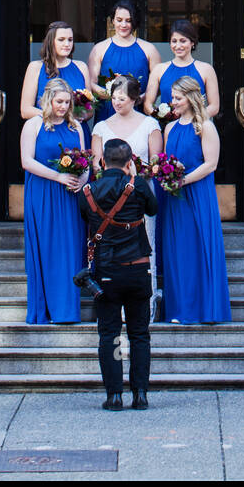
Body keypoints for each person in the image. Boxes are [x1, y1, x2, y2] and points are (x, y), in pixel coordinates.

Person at [78, 137, 157, 410]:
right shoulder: (138, 187)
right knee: (139, 334)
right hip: (137, 269)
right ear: (129, 161)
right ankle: (141, 394)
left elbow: (86, 220)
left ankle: (114, 395)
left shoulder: (88, 191)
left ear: (102, 161)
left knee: (109, 334)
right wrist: (134, 178)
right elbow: (153, 209)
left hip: (106, 272)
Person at [160, 76, 231, 324]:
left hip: (197, 194)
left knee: (197, 246)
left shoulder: (205, 126)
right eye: (173, 98)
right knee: (178, 251)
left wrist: (183, 181)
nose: (173, 102)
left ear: (191, 98)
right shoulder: (169, 128)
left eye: (178, 98)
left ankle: (203, 308)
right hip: (175, 198)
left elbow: (210, 164)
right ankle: (180, 309)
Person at [90, 74, 163, 310]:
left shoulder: (150, 124)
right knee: (112, 247)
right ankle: (111, 304)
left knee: (142, 246)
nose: (116, 102)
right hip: (109, 198)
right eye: (113, 98)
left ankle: (143, 304)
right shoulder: (101, 126)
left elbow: (155, 161)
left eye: (122, 98)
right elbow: (96, 165)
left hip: (139, 193)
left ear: (134, 99)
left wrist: (140, 172)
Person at [21, 78, 87, 324]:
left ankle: (67, 311)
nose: (63, 106)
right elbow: (27, 161)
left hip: (70, 195)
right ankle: (46, 308)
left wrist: (84, 178)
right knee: (47, 248)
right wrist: (58, 176)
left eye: (67, 102)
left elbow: (85, 159)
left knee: (70, 248)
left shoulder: (75, 127)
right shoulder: (34, 125)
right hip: (43, 192)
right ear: (47, 99)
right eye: (59, 101)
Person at [20, 20, 92, 144]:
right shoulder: (35, 67)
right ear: (50, 41)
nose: (67, 44)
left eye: (70, 39)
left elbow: (90, 110)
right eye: (61, 39)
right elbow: (25, 110)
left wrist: (81, 115)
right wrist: (58, 116)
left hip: (75, 132)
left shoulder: (81, 67)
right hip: (48, 132)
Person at [88, 0, 161, 122]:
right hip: (108, 112)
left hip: (138, 110)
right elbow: (91, 83)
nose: (123, 25)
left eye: (128, 20)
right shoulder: (99, 49)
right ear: (112, 20)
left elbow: (158, 84)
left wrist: (138, 98)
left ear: (134, 22)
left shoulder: (149, 49)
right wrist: (112, 96)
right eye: (119, 20)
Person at [142, 18, 220, 119]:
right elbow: (147, 105)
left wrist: (191, 119)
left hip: (195, 128)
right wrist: (163, 119)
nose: (178, 46)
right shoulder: (159, 69)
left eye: (183, 41)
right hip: (167, 129)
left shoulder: (206, 69)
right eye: (174, 41)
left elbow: (214, 107)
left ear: (192, 42)